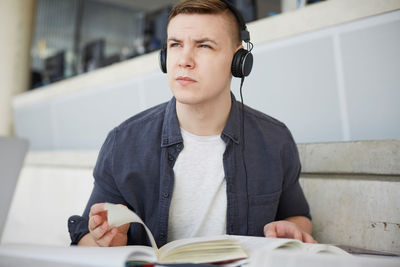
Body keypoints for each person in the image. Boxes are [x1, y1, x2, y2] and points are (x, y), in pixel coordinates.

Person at [68, 0, 316, 247]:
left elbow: (298, 217)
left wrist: (292, 229)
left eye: (204, 46)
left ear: (238, 59)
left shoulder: (275, 140)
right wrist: (105, 241)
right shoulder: (123, 143)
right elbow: (85, 238)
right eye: (175, 44)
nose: (184, 60)